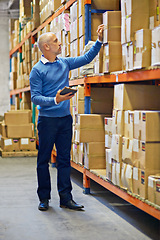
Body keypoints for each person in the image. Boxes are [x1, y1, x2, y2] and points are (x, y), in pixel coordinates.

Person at [29, 24, 104, 211]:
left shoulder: (64, 63)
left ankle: (66, 198)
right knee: (43, 160)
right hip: (47, 121)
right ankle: (44, 198)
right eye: (55, 41)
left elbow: (86, 58)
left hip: (64, 120)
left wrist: (99, 40)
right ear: (46, 47)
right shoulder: (37, 70)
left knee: (64, 159)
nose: (59, 43)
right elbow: (35, 97)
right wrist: (56, 99)